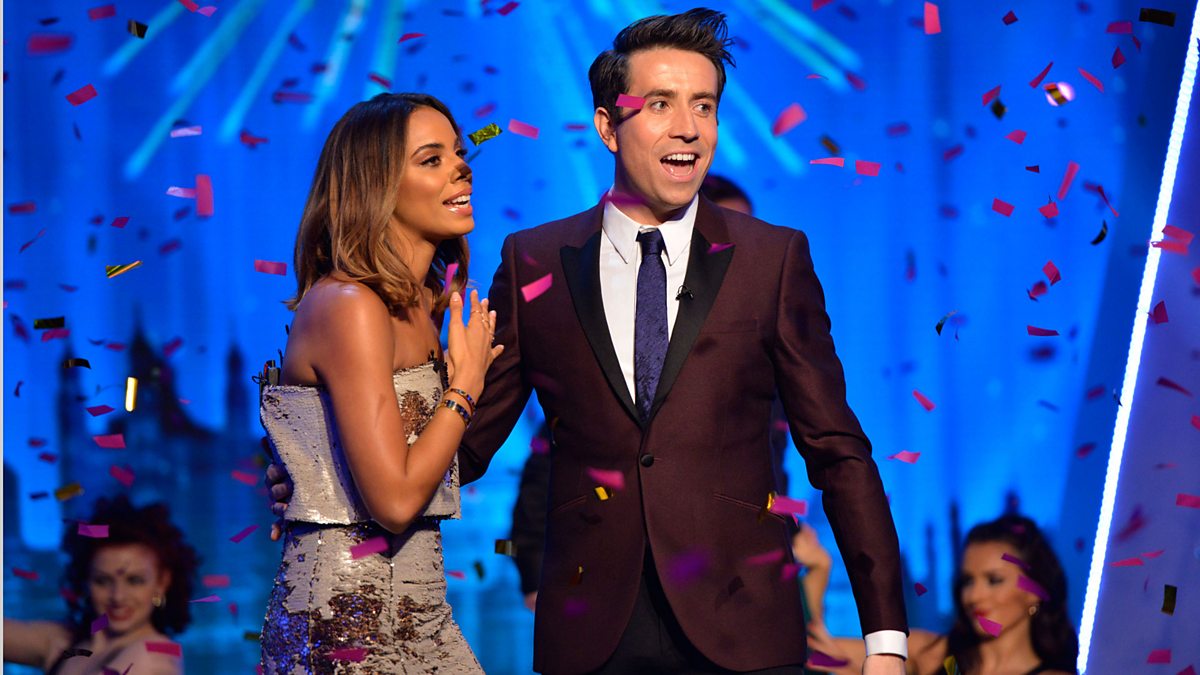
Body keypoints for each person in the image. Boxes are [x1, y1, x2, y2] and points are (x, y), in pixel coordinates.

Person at [457, 9, 907, 674]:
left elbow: (838, 451)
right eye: (660, 104)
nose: (689, 128)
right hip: (592, 635)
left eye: (704, 105)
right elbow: (468, 446)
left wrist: (886, 641)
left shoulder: (771, 260)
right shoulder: (535, 261)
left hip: (744, 630)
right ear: (608, 125)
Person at [506, 174, 832, 642]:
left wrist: (784, 527)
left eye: (742, 228)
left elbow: (773, 463)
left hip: (740, 578)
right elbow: (553, 459)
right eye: (721, 227)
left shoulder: (764, 340)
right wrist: (534, 569)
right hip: (620, 584)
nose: (735, 244)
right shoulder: (612, 329)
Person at [257, 92, 501, 674]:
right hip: (348, 625)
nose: (461, 167)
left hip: (421, 610)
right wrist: (464, 386)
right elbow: (393, 502)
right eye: (431, 159)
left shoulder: (423, 305)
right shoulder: (350, 304)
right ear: (377, 186)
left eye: (458, 153)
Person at [803, 514, 1078, 675]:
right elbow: (815, 651)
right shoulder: (933, 653)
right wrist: (820, 569)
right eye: (968, 581)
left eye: (994, 581)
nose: (974, 596)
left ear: (1034, 592)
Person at [3, 495, 199, 674]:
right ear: (85, 581)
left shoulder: (156, 654)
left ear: (162, 582)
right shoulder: (65, 641)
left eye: (135, 581)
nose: (118, 596)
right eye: (102, 581)